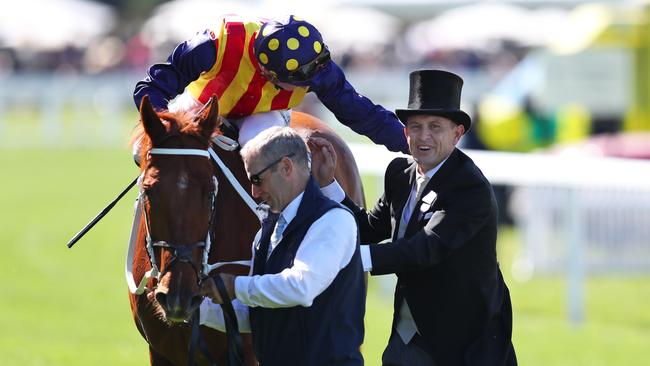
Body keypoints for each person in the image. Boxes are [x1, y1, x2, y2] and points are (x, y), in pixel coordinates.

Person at [311, 70, 517, 366]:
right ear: (405, 132)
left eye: (435, 127)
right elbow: (367, 229)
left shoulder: (469, 187)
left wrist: (343, 259)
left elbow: (423, 250)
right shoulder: (399, 174)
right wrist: (329, 184)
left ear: (457, 134)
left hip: (465, 344)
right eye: (415, 127)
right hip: (407, 336)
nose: (424, 136)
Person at [199, 127, 365, 366]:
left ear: (286, 167)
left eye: (257, 179)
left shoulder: (333, 220)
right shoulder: (265, 231)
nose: (254, 192)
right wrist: (197, 308)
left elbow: (301, 287)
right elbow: (259, 313)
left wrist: (234, 285)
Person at [133, 14, 408, 153]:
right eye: (296, 83)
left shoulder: (317, 67)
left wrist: (410, 142)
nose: (307, 88)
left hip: (262, 115)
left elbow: (361, 114)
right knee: (143, 150)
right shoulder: (213, 44)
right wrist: (163, 126)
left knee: (263, 151)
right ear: (266, 72)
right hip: (203, 105)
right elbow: (152, 87)